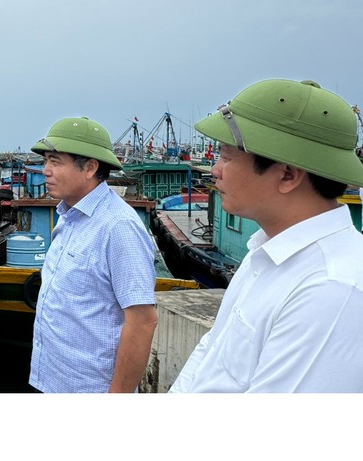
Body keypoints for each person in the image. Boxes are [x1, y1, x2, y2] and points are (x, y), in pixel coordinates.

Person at [170, 79, 363, 393]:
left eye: (227, 157)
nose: (214, 170)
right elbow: (211, 350)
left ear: (287, 175)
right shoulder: (265, 250)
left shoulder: (331, 289)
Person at [28, 117, 158, 393]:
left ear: (89, 167)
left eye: (55, 161)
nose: (45, 171)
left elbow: (142, 320)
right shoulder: (67, 215)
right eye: (45, 161)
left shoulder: (118, 227)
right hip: (54, 378)